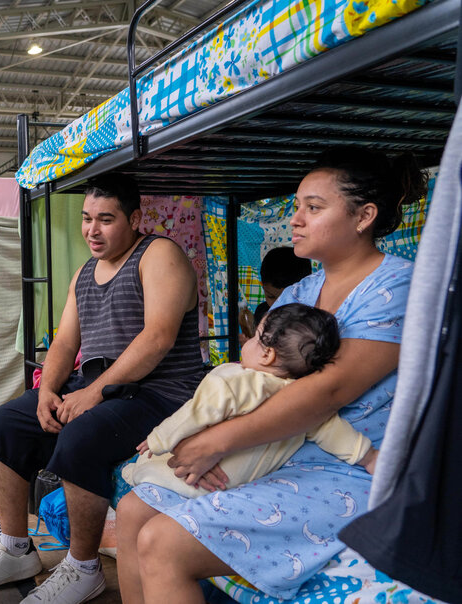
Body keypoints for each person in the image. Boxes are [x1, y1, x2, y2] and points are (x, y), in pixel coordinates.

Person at [115, 147, 428, 604]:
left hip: (350, 465)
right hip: (277, 448)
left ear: (364, 216)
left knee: (163, 543)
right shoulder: (301, 291)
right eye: (297, 205)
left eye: (313, 207)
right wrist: (208, 436)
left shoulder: (398, 286)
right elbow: (255, 373)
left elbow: (327, 393)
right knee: (130, 510)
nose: (295, 218)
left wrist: (213, 443)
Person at [0, 173, 204, 604]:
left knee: (81, 436)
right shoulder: (85, 272)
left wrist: (92, 394)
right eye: (87, 219)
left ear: (136, 218)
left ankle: (83, 568)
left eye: (105, 219)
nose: (92, 230)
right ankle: (14, 548)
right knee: (2, 425)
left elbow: (158, 337)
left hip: (161, 390)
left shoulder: (159, 254)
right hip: (98, 383)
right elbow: (65, 341)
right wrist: (49, 389)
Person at [123, 303, 377, 498]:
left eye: (255, 337)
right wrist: (369, 457)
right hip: (237, 483)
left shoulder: (234, 382)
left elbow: (195, 414)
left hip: (194, 477)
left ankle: (135, 473)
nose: (248, 341)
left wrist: (158, 438)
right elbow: (334, 431)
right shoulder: (304, 402)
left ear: (267, 354)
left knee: (148, 464)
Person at [253, 246, 313, 327]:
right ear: (263, 286)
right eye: (271, 296)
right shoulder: (262, 313)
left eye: (288, 298)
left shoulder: (314, 319)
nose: (278, 305)